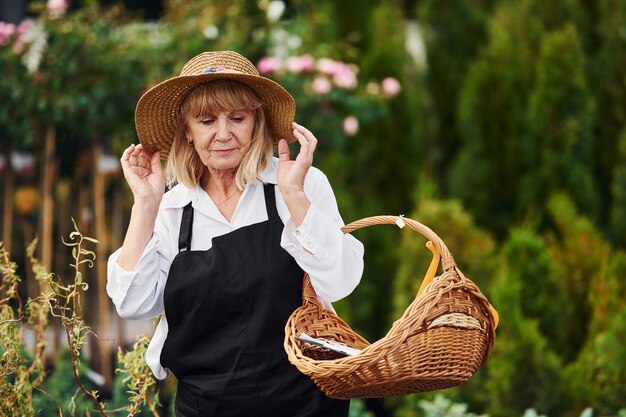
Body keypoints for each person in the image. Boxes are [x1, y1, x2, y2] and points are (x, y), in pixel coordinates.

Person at [106, 50, 364, 416]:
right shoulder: (173, 208)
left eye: (238, 118)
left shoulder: (297, 184)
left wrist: (295, 197)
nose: (223, 134)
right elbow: (133, 304)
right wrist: (145, 205)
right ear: (186, 129)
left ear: (257, 122)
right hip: (206, 406)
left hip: (304, 403)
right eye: (207, 120)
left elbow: (342, 281)